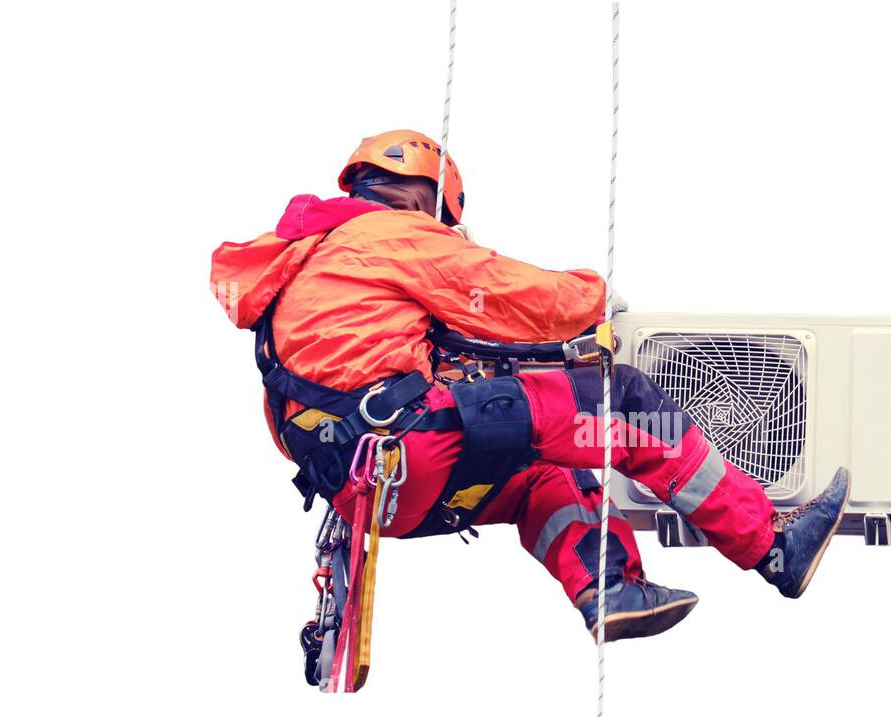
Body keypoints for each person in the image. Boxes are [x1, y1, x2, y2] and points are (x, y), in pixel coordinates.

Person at [210, 129, 849, 642]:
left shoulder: (298, 269)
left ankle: (611, 589)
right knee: (622, 400)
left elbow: (365, 368)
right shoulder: (388, 235)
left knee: (546, 472)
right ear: (425, 197)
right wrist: (591, 301)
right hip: (414, 446)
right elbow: (506, 292)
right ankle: (770, 545)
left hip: (376, 495)